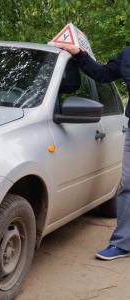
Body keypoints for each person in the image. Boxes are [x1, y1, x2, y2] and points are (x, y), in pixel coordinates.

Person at [55, 43, 130, 261]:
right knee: (127, 186)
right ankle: (122, 243)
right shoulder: (127, 54)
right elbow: (103, 73)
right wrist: (80, 55)